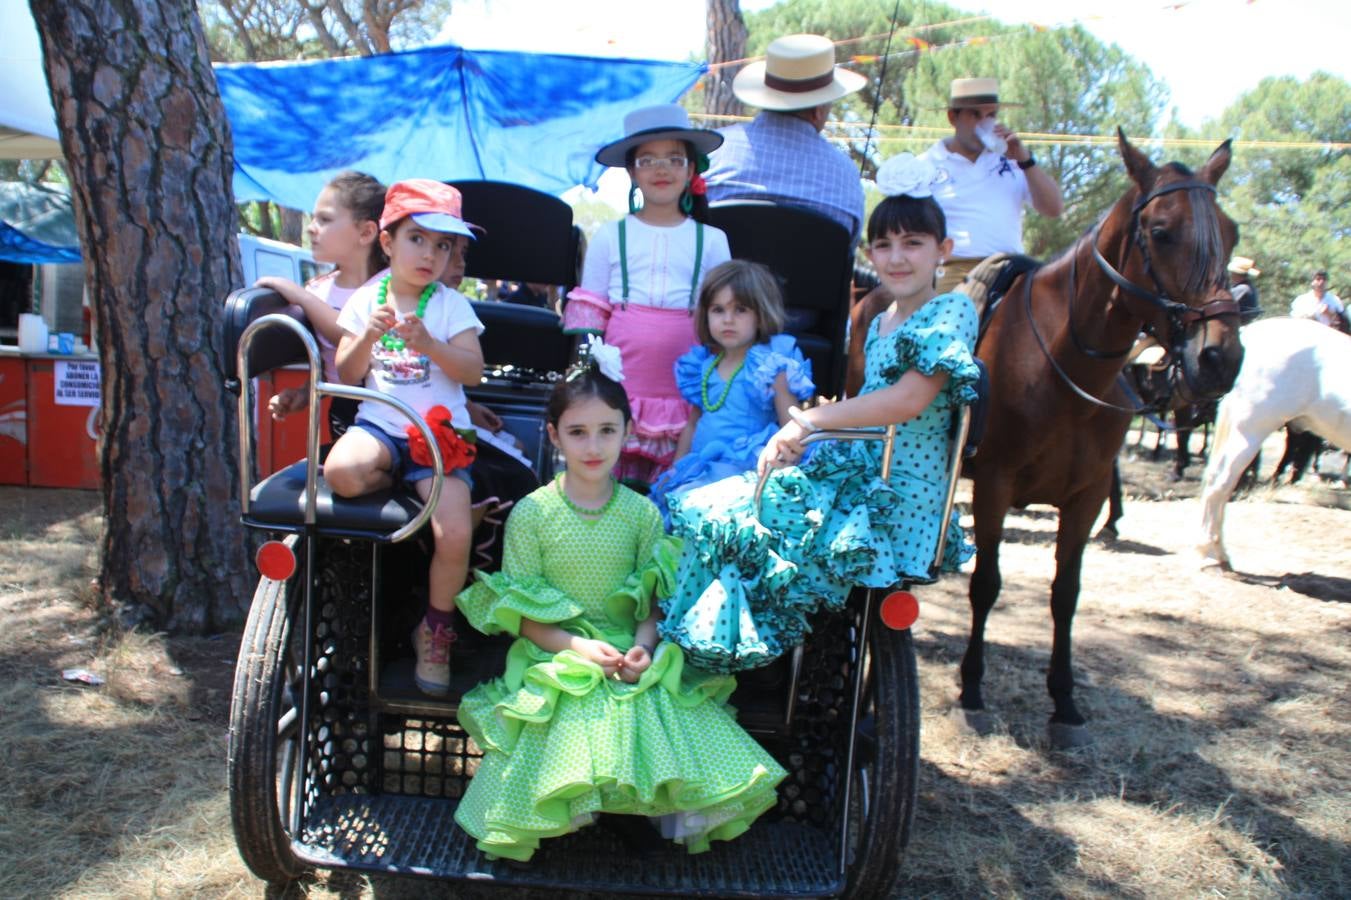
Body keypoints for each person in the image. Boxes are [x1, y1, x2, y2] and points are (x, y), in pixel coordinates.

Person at [452, 340, 786, 861]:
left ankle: (634, 812)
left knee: (655, 702)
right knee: (577, 702)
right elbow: (521, 617)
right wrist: (577, 649)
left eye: (607, 430)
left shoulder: (641, 514)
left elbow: (651, 601)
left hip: (627, 647)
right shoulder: (533, 514)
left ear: (627, 432)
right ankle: (571, 809)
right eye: (578, 432)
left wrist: (644, 647)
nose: (593, 445)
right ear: (554, 436)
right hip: (555, 652)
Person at [661, 155, 980, 673]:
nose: (896, 258)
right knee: (734, 503)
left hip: (897, 484)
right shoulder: (880, 321)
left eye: (913, 243)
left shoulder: (951, 310)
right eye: (884, 245)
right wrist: (807, 435)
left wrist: (809, 421)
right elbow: (870, 409)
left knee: (742, 515)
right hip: (863, 470)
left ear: (943, 251)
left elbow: (907, 401)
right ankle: (725, 650)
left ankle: (724, 650)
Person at [326, 179, 485, 696]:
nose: (431, 254)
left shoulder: (450, 307)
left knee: (455, 535)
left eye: (443, 246)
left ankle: (434, 629)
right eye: (418, 238)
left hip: (438, 436)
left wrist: (432, 345)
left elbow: (473, 373)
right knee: (342, 473)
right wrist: (368, 335)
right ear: (388, 242)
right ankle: (402, 485)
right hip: (382, 426)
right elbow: (347, 375)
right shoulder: (365, 301)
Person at [562, 104, 731, 489]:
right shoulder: (610, 235)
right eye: (648, 160)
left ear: (691, 171)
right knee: (611, 478)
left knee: (675, 482)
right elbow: (589, 316)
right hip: (622, 377)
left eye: (674, 159)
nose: (661, 169)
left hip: (684, 381)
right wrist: (594, 376)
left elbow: (723, 316)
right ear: (632, 172)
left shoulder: (712, 240)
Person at [648, 260, 815, 523]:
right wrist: (675, 468)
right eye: (718, 310)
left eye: (740, 310)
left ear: (760, 314)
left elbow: (791, 425)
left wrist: (788, 467)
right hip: (701, 466)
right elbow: (693, 423)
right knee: (678, 507)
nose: (728, 319)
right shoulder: (703, 365)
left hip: (744, 469)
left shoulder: (769, 365)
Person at [256, 170, 386, 438]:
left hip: (390, 405)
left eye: (324, 219)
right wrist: (303, 394)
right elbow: (329, 365)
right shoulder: (319, 289)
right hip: (345, 409)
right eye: (314, 218)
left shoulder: (389, 287)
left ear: (366, 232)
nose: (310, 227)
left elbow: (347, 338)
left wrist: (303, 298)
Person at [703, 32, 866, 245]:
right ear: (818, 110)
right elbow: (848, 253)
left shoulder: (712, 152)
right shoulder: (846, 174)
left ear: (765, 97)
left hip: (721, 278)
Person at [920, 77, 1063, 294]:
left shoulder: (1015, 161)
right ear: (953, 117)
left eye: (991, 115)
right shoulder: (925, 165)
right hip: (957, 271)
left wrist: (1025, 159)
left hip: (1013, 269)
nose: (984, 123)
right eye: (975, 114)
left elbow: (1054, 209)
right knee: (953, 322)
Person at [1227, 256, 1263, 324]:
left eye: (1232, 273)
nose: (1230, 275)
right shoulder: (1249, 286)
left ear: (1236, 274)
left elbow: (1225, 302)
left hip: (1238, 323)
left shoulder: (1242, 288)